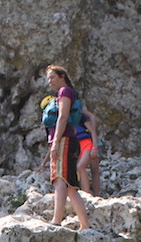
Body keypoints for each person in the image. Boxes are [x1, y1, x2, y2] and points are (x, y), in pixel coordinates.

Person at [42, 64, 90, 230]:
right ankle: (84, 224)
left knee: (59, 179)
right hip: (69, 139)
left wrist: (55, 141)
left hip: (64, 140)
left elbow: (62, 117)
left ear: (62, 76)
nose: (50, 82)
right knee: (70, 186)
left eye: (52, 77)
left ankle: (56, 220)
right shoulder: (69, 92)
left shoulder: (64, 92)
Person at [75, 107, 101, 195]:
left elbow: (93, 130)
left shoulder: (81, 116)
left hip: (89, 144)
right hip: (81, 145)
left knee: (93, 169)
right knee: (89, 169)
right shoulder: (73, 117)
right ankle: (88, 193)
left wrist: (95, 148)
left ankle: (94, 194)